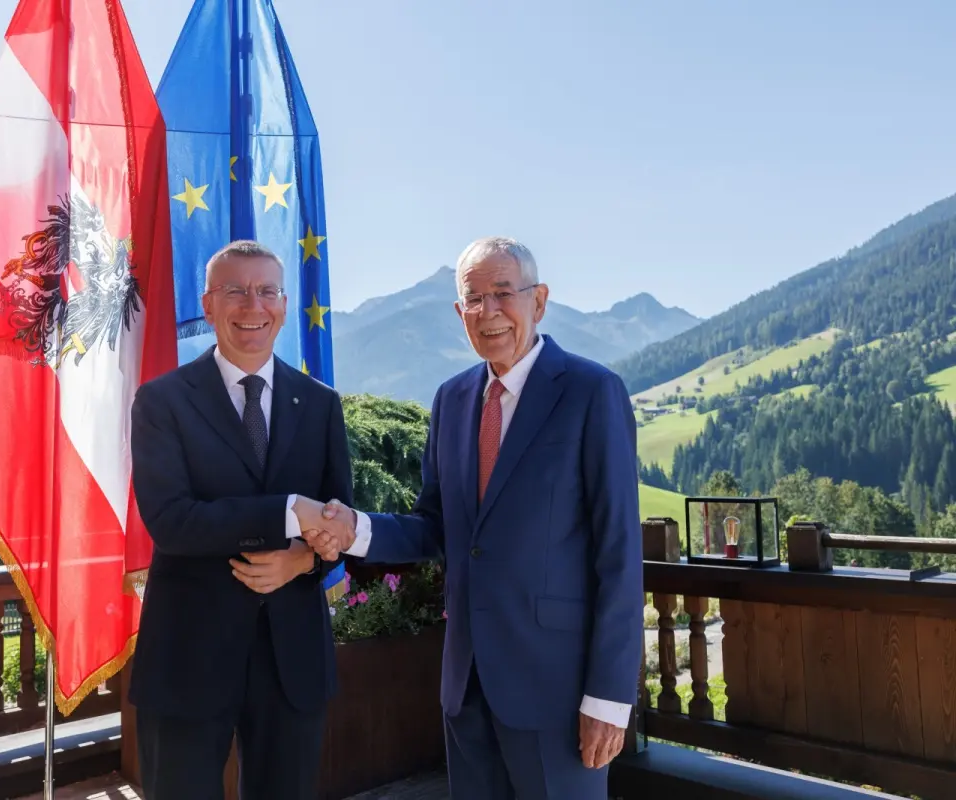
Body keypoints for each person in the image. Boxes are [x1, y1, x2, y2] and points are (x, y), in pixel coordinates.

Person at [305, 236, 643, 799]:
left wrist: (608, 698)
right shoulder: (452, 399)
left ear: (539, 301)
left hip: (558, 694)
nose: (488, 312)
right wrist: (354, 530)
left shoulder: (592, 392)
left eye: (503, 293)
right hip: (466, 689)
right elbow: (436, 525)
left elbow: (620, 554)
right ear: (459, 311)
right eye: (474, 299)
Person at [128, 240, 351, 800]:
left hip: (292, 660)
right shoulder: (161, 402)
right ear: (208, 305)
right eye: (235, 291)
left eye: (267, 290)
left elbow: (338, 523)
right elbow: (170, 521)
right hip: (188, 657)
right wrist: (285, 513)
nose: (254, 305)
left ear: (284, 305)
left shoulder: (321, 404)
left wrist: (303, 560)